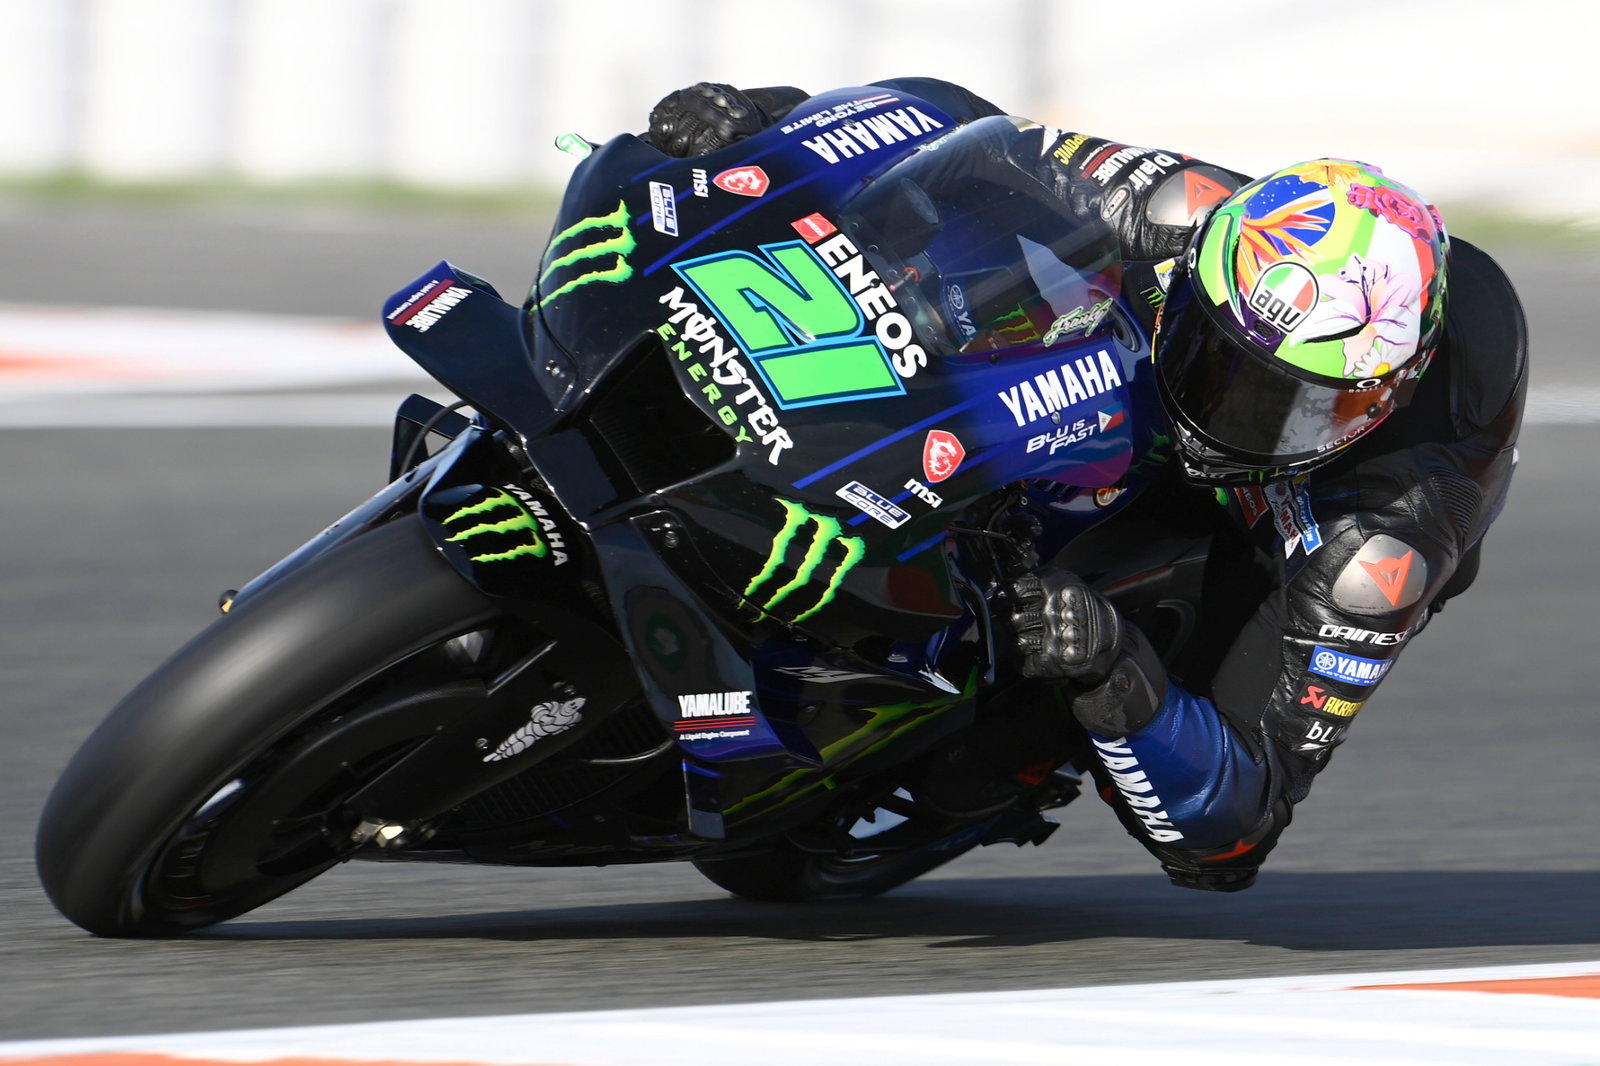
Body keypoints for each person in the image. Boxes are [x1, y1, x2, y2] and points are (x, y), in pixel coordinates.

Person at [643, 78, 1527, 891]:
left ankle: (1007, 757)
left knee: (1088, 665)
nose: (1227, 409)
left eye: (1287, 406)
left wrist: (1116, 668)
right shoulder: (1195, 211)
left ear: (1373, 402)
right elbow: (961, 134)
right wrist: (769, 135)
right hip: (1184, 327)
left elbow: (1231, 838)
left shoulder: (1380, 544)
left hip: (1283, 528)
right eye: (1218, 359)